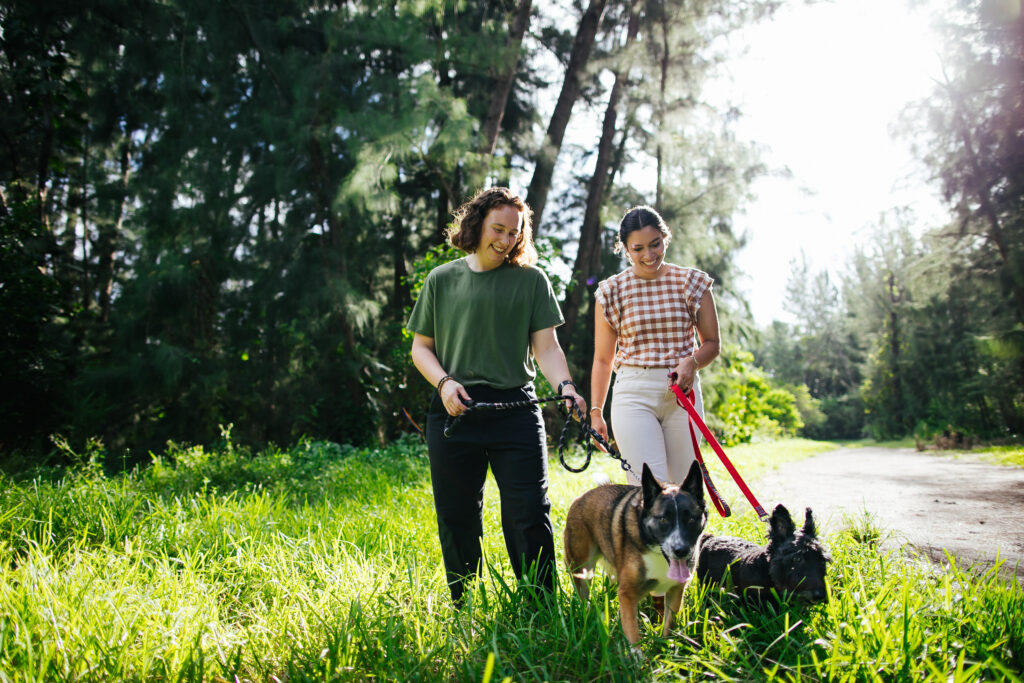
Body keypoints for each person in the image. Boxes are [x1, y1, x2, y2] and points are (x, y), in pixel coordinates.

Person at [407, 186, 586, 605]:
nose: (505, 240)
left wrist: (566, 388)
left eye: (514, 233)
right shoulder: (442, 279)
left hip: (515, 411)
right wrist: (445, 383)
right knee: (457, 515)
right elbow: (421, 348)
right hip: (454, 409)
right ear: (477, 224)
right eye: (498, 229)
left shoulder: (530, 281)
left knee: (528, 512)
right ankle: (464, 603)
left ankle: (539, 605)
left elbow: (546, 348)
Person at [589, 205, 721, 485]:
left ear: (665, 238)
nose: (648, 255)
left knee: (685, 490)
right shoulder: (611, 291)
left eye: (655, 245)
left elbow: (712, 343)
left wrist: (692, 362)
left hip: (682, 395)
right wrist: (596, 412)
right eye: (638, 249)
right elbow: (602, 360)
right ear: (625, 249)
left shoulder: (692, 282)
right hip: (633, 394)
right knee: (646, 492)